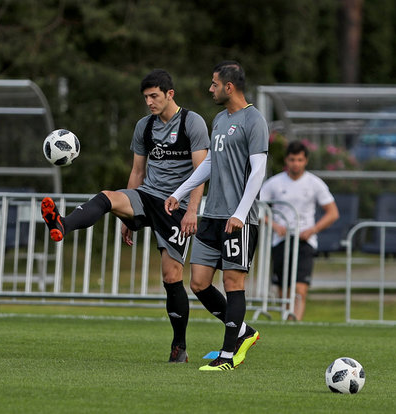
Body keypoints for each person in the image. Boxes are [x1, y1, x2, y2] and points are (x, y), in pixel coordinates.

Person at [41, 69, 210, 363]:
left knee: (171, 277)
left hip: (177, 207)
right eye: (146, 97)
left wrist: (192, 210)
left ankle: (179, 346)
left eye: (154, 96)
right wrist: (125, 217)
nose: (149, 102)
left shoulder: (192, 123)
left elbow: (201, 172)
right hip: (147, 195)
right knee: (108, 196)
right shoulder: (144, 126)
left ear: (171, 94)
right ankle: (62, 224)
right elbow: (137, 172)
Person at [164, 61, 268, 371]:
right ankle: (244, 331)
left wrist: (240, 212)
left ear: (229, 87)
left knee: (233, 283)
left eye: (214, 84)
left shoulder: (254, 120)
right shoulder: (220, 119)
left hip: (238, 219)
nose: (210, 89)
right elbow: (209, 163)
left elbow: (259, 170)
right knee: (198, 283)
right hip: (212, 216)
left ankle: (228, 355)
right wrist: (179, 193)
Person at [260, 141, 339, 321]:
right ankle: (286, 319)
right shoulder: (274, 183)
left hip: (305, 241)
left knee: (300, 288)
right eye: (292, 159)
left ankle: (295, 322)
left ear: (306, 161)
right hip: (281, 240)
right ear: (287, 160)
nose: (296, 163)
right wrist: (274, 225)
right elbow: (257, 209)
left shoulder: (314, 183)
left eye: (299, 160)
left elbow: (332, 213)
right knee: (283, 286)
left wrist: (313, 230)